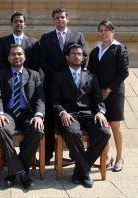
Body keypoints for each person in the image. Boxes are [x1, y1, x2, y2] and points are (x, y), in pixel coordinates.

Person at [52, 44, 111, 188]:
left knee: (104, 132)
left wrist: (100, 112)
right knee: (71, 132)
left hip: (89, 115)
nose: (77, 56)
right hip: (69, 115)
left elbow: (98, 99)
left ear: (83, 57)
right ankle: (85, 172)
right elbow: (54, 101)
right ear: (67, 57)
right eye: (73, 54)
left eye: (79, 54)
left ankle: (79, 170)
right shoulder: (58, 76)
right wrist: (62, 112)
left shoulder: (91, 76)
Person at [0, 44, 45, 189]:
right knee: (1, 129)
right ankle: (22, 173)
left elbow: (40, 98)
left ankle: (13, 172)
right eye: (13, 54)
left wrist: (39, 115)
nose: (17, 57)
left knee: (37, 129)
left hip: (28, 113)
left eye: (19, 54)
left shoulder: (34, 74)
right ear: (8, 58)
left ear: (24, 57)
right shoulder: (1, 74)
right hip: (8, 113)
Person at [39, 8, 87, 165]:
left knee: (72, 118)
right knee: (50, 120)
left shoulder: (78, 36)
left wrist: (69, 74)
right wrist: (56, 75)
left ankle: (74, 153)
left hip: (73, 86)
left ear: (68, 19)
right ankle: (47, 153)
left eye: (62, 17)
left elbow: (83, 57)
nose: (60, 20)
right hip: (51, 83)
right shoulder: (46, 38)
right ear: (53, 20)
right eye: (57, 18)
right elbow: (42, 60)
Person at [87, 20, 129, 172]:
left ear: (113, 31)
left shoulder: (120, 49)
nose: (103, 33)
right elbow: (90, 73)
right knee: (104, 125)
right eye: (101, 30)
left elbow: (124, 72)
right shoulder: (95, 51)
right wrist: (97, 92)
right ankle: (108, 154)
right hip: (99, 94)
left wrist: (109, 90)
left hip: (115, 93)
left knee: (115, 125)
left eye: (106, 30)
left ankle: (119, 158)